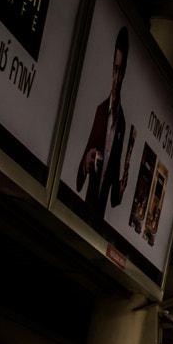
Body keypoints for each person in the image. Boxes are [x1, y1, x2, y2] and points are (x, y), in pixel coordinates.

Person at [72, 27, 132, 216]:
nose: (116, 79)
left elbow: (114, 190)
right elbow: (80, 176)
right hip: (85, 208)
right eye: (115, 69)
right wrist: (86, 163)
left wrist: (121, 189)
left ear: (124, 73)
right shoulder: (100, 111)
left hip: (100, 216)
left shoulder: (122, 123)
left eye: (120, 72)